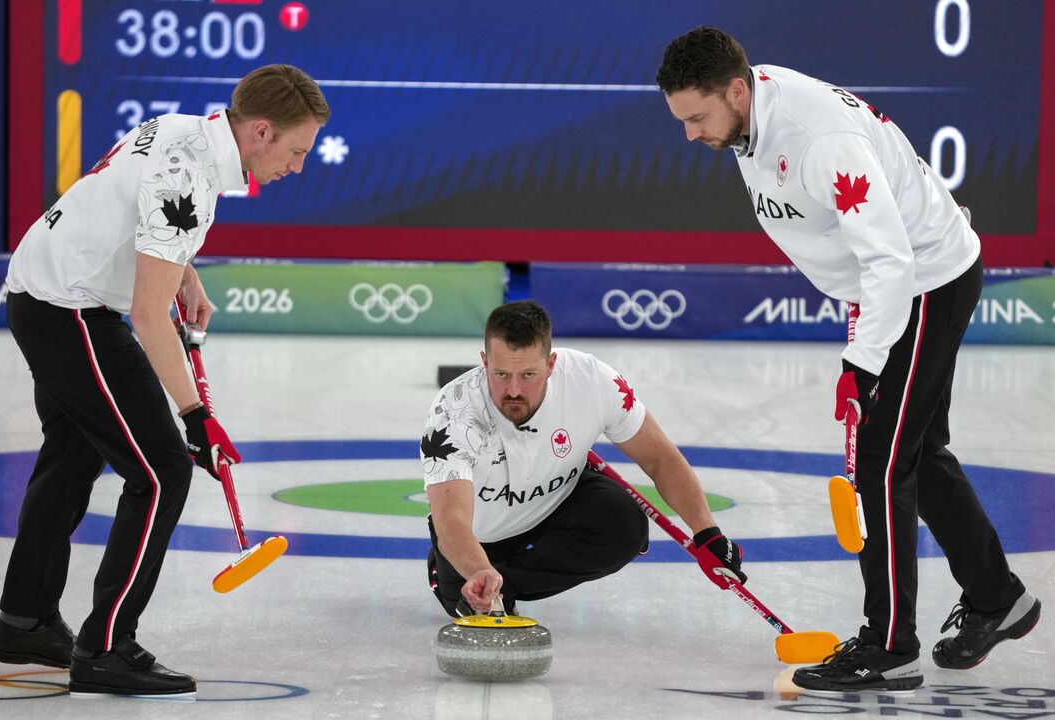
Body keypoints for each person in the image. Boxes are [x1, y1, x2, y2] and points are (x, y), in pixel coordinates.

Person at [656, 27, 1040, 691]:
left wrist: (861, 363)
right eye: (682, 119)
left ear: (738, 90)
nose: (690, 135)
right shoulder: (753, 107)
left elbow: (890, 259)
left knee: (881, 466)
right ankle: (997, 596)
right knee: (915, 452)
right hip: (896, 281)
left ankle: (888, 647)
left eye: (697, 117)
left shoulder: (817, 139)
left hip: (923, 282)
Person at [0, 64, 330, 697]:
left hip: (43, 291)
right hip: (71, 311)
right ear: (260, 131)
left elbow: (139, 210)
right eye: (297, 150)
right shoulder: (192, 177)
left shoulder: (184, 128)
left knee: (72, 456)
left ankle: (24, 619)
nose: (298, 165)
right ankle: (107, 648)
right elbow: (148, 316)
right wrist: (198, 417)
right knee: (161, 471)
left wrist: (184, 271)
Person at [421, 299, 744, 620]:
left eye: (529, 374)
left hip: (556, 501)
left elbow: (659, 457)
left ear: (551, 365)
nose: (514, 390)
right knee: (464, 597)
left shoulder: (592, 380)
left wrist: (706, 532)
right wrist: (479, 570)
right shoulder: (454, 413)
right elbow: (452, 521)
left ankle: (508, 585)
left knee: (624, 527)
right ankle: (465, 572)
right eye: (501, 374)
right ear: (484, 361)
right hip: (482, 534)